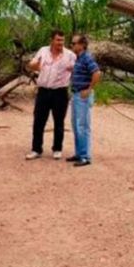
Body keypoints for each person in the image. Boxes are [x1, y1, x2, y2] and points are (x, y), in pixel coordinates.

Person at [26, 30, 76, 160]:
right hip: (43, 91)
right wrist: (35, 65)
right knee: (38, 121)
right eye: (58, 40)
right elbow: (32, 65)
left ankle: (57, 149)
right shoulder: (43, 51)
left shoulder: (70, 55)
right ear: (52, 40)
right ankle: (36, 149)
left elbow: (77, 70)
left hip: (60, 92)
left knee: (59, 121)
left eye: (62, 40)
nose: (61, 43)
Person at [67, 34, 102, 167]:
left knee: (82, 126)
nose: (72, 46)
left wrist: (89, 89)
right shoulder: (78, 59)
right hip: (76, 95)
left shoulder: (87, 57)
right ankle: (79, 153)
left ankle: (85, 157)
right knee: (76, 126)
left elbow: (97, 73)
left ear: (82, 45)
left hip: (83, 96)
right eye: (72, 43)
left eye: (74, 43)